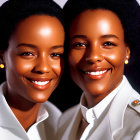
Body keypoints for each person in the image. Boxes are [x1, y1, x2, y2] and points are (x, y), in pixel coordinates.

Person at [57, 0, 140, 139]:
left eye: (108, 43)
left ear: (127, 51)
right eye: (79, 44)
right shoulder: (63, 121)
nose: (93, 56)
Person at [0, 0, 65, 139]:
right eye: (27, 53)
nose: (43, 68)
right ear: (2, 57)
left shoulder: (61, 126)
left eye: (55, 54)